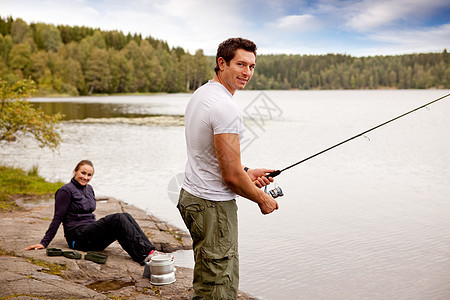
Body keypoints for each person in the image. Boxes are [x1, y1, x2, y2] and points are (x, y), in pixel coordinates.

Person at [177, 37, 279, 299]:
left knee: (208, 277)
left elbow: (215, 158)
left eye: (252, 66)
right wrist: (261, 199)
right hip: (213, 207)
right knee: (218, 288)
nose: (247, 72)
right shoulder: (225, 107)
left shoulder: (203, 94)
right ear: (221, 63)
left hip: (194, 197)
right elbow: (231, 176)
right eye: (240, 64)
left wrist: (246, 171)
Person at [25, 160, 161, 265]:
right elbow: (57, 218)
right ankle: (146, 255)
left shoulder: (89, 189)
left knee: (126, 216)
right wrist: (44, 242)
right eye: (83, 173)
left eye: (89, 175)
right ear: (75, 171)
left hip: (91, 235)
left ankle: (149, 252)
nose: (86, 177)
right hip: (78, 238)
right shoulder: (65, 191)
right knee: (118, 218)